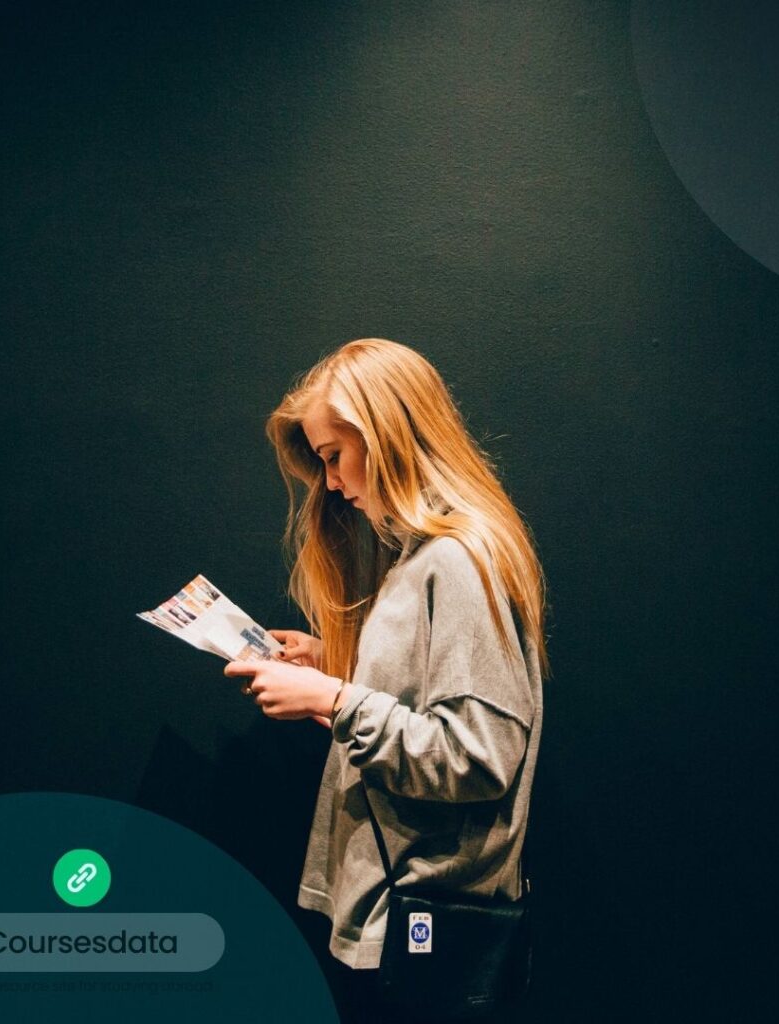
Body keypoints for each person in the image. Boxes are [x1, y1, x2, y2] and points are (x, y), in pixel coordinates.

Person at [224, 338, 548, 1021]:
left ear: (386, 434)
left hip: (423, 917)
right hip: (397, 911)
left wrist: (337, 700)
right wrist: (332, 672)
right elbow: (425, 706)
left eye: (334, 456)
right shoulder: (428, 558)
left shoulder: (457, 560)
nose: (334, 484)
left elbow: (479, 754)